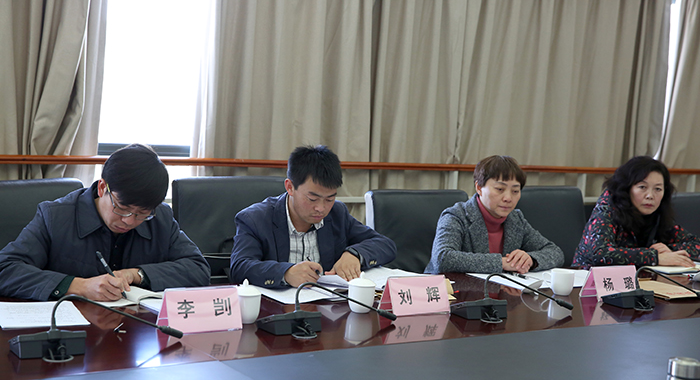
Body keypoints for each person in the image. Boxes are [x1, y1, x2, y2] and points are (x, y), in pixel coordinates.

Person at [0, 144, 210, 301]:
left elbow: (198, 268)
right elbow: (6, 269)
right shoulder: (55, 216)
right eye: (122, 208)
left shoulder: (161, 217)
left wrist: (136, 274)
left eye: (142, 213)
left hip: (135, 329)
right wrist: (78, 286)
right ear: (102, 188)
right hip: (70, 330)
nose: (129, 221)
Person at [230, 145, 397, 288]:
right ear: (290, 187)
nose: (321, 208)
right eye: (312, 199)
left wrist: (355, 254)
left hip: (329, 307)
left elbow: (385, 245)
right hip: (278, 310)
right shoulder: (255, 219)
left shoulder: (337, 213)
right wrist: (286, 273)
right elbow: (240, 267)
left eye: (329, 199)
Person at [425, 155, 564, 274]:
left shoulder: (516, 219)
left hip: (501, 292)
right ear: (479, 187)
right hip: (451, 293)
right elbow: (442, 258)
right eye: (500, 189)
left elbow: (555, 252)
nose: (508, 198)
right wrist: (501, 263)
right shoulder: (456, 216)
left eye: (515, 191)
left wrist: (531, 260)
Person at [573, 156, 700, 268]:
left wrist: (669, 251)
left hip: (640, 280)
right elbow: (600, 253)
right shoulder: (608, 207)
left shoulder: (657, 212)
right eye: (642, 187)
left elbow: (696, 245)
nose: (650, 196)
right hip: (589, 281)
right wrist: (655, 257)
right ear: (627, 188)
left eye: (658, 189)